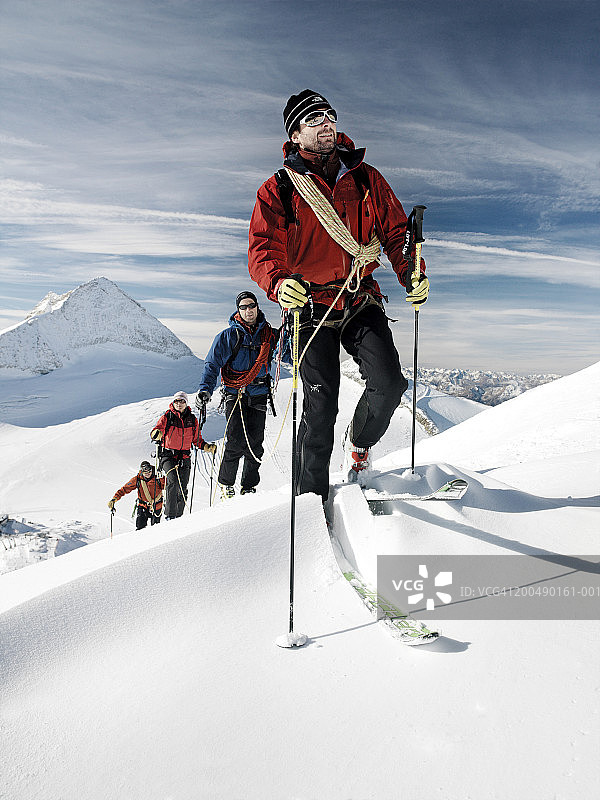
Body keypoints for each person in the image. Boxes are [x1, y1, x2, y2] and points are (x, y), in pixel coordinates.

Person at [248, 89, 430, 501]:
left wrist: (412, 274)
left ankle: (359, 444)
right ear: (295, 135)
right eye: (313, 119)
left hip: (358, 294)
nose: (325, 123)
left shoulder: (364, 177)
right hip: (309, 305)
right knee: (320, 405)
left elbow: (398, 233)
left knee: (389, 384)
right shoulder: (279, 188)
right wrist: (278, 283)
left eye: (328, 115)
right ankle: (309, 499)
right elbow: (263, 249)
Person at [194, 291, 281, 499]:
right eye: (244, 307)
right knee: (234, 442)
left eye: (251, 306)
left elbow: (285, 352)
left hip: (259, 393)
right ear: (238, 310)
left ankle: (249, 486)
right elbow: (212, 364)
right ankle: (226, 484)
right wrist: (205, 388)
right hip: (236, 393)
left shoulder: (269, 335)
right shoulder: (227, 336)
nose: (248, 310)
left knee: (255, 443)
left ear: (257, 307)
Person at [150, 391, 216, 518]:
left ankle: (179, 516)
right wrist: (156, 433)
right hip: (168, 455)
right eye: (176, 401)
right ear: (173, 403)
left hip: (184, 456)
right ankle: (170, 515)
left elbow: (196, 440)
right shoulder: (167, 417)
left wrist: (207, 447)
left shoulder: (192, 420)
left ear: (186, 403)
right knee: (173, 481)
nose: (179, 404)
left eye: (182, 401)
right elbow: (157, 430)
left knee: (183, 487)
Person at [108, 461, 165, 530]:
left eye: (149, 472)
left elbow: (169, 485)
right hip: (143, 505)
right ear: (142, 472)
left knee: (155, 528)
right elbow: (124, 489)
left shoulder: (159, 478)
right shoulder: (137, 480)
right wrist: (114, 499)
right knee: (140, 528)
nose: (148, 474)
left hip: (157, 505)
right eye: (145, 473)